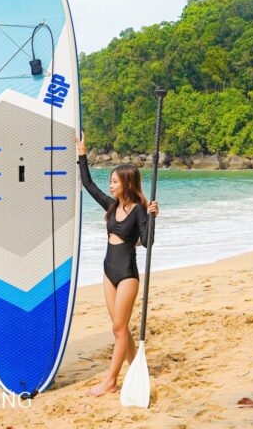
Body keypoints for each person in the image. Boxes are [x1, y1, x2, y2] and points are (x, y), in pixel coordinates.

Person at [75, 132, 159, 397]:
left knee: (118, 328)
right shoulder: (111, 206)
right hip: (108, 271)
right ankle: (135, 368)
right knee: (120, 327)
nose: (110, 186)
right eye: (110, 181)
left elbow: (147, 243)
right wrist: (81, 155)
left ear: (127, 183)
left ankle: (110, 382)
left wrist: (152, 216)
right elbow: (88, 185)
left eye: (114, 181)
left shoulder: (138, 211)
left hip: (127, 275)